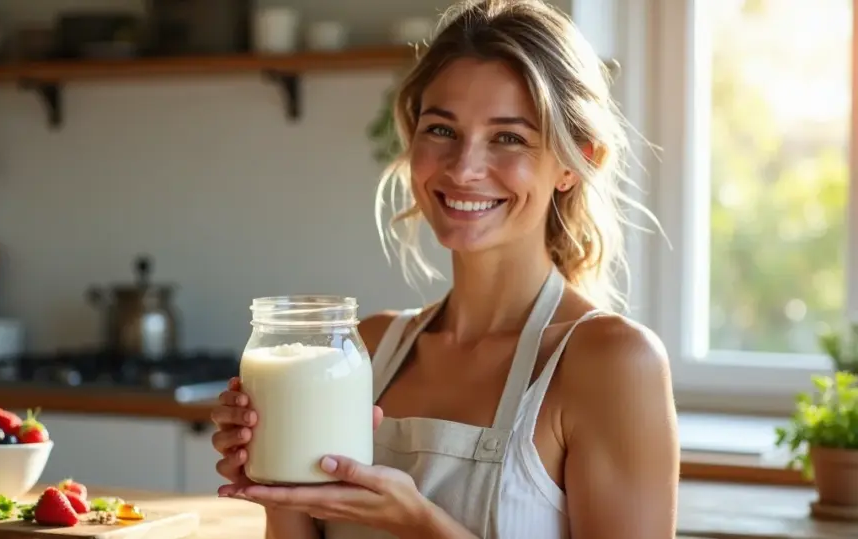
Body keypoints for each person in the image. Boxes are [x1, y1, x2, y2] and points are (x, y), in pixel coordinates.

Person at [209, 0, 680, 537]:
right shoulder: (362, 351)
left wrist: (418, 523)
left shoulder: (611, 363)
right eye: (441, 130)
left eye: (508, 137)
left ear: (577, 163)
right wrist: (277, 483)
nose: (464, 167)